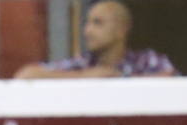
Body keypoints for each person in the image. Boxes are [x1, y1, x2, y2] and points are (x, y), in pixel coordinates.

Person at [14, 0, 176, 78]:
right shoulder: (83, 65)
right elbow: (26, 75)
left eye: (97, 23)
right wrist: (86, 76)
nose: (87, 31)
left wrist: (118, 79)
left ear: (121, 29)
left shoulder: (147, 61)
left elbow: (172, 80)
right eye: (87, 23)